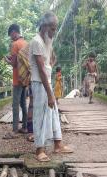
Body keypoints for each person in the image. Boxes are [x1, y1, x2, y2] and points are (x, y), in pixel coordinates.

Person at [29, 11, 73, 161]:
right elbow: (40, 70)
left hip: (46, 82)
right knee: (40, 116)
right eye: (53, 28)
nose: (54, 32)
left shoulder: (47, 41)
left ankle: (58, 144)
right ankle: (39, 150)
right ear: (45, 26)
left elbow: (47, 64)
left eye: (55, 28)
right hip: (39, 83)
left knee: (53, 113)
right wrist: (49, 94)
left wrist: (51, 64)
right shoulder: (36, 42)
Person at [4, 24, 28, 139]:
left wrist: (7, 60)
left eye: (10, 35)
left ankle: (14, 130)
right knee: (23, 103)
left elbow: (14, 64)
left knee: (15, 105)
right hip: (25, 78)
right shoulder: (25, 43)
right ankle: (25, 127)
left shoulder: (14, 44)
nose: (11, 38)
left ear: (14, 32)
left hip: (17, 78)